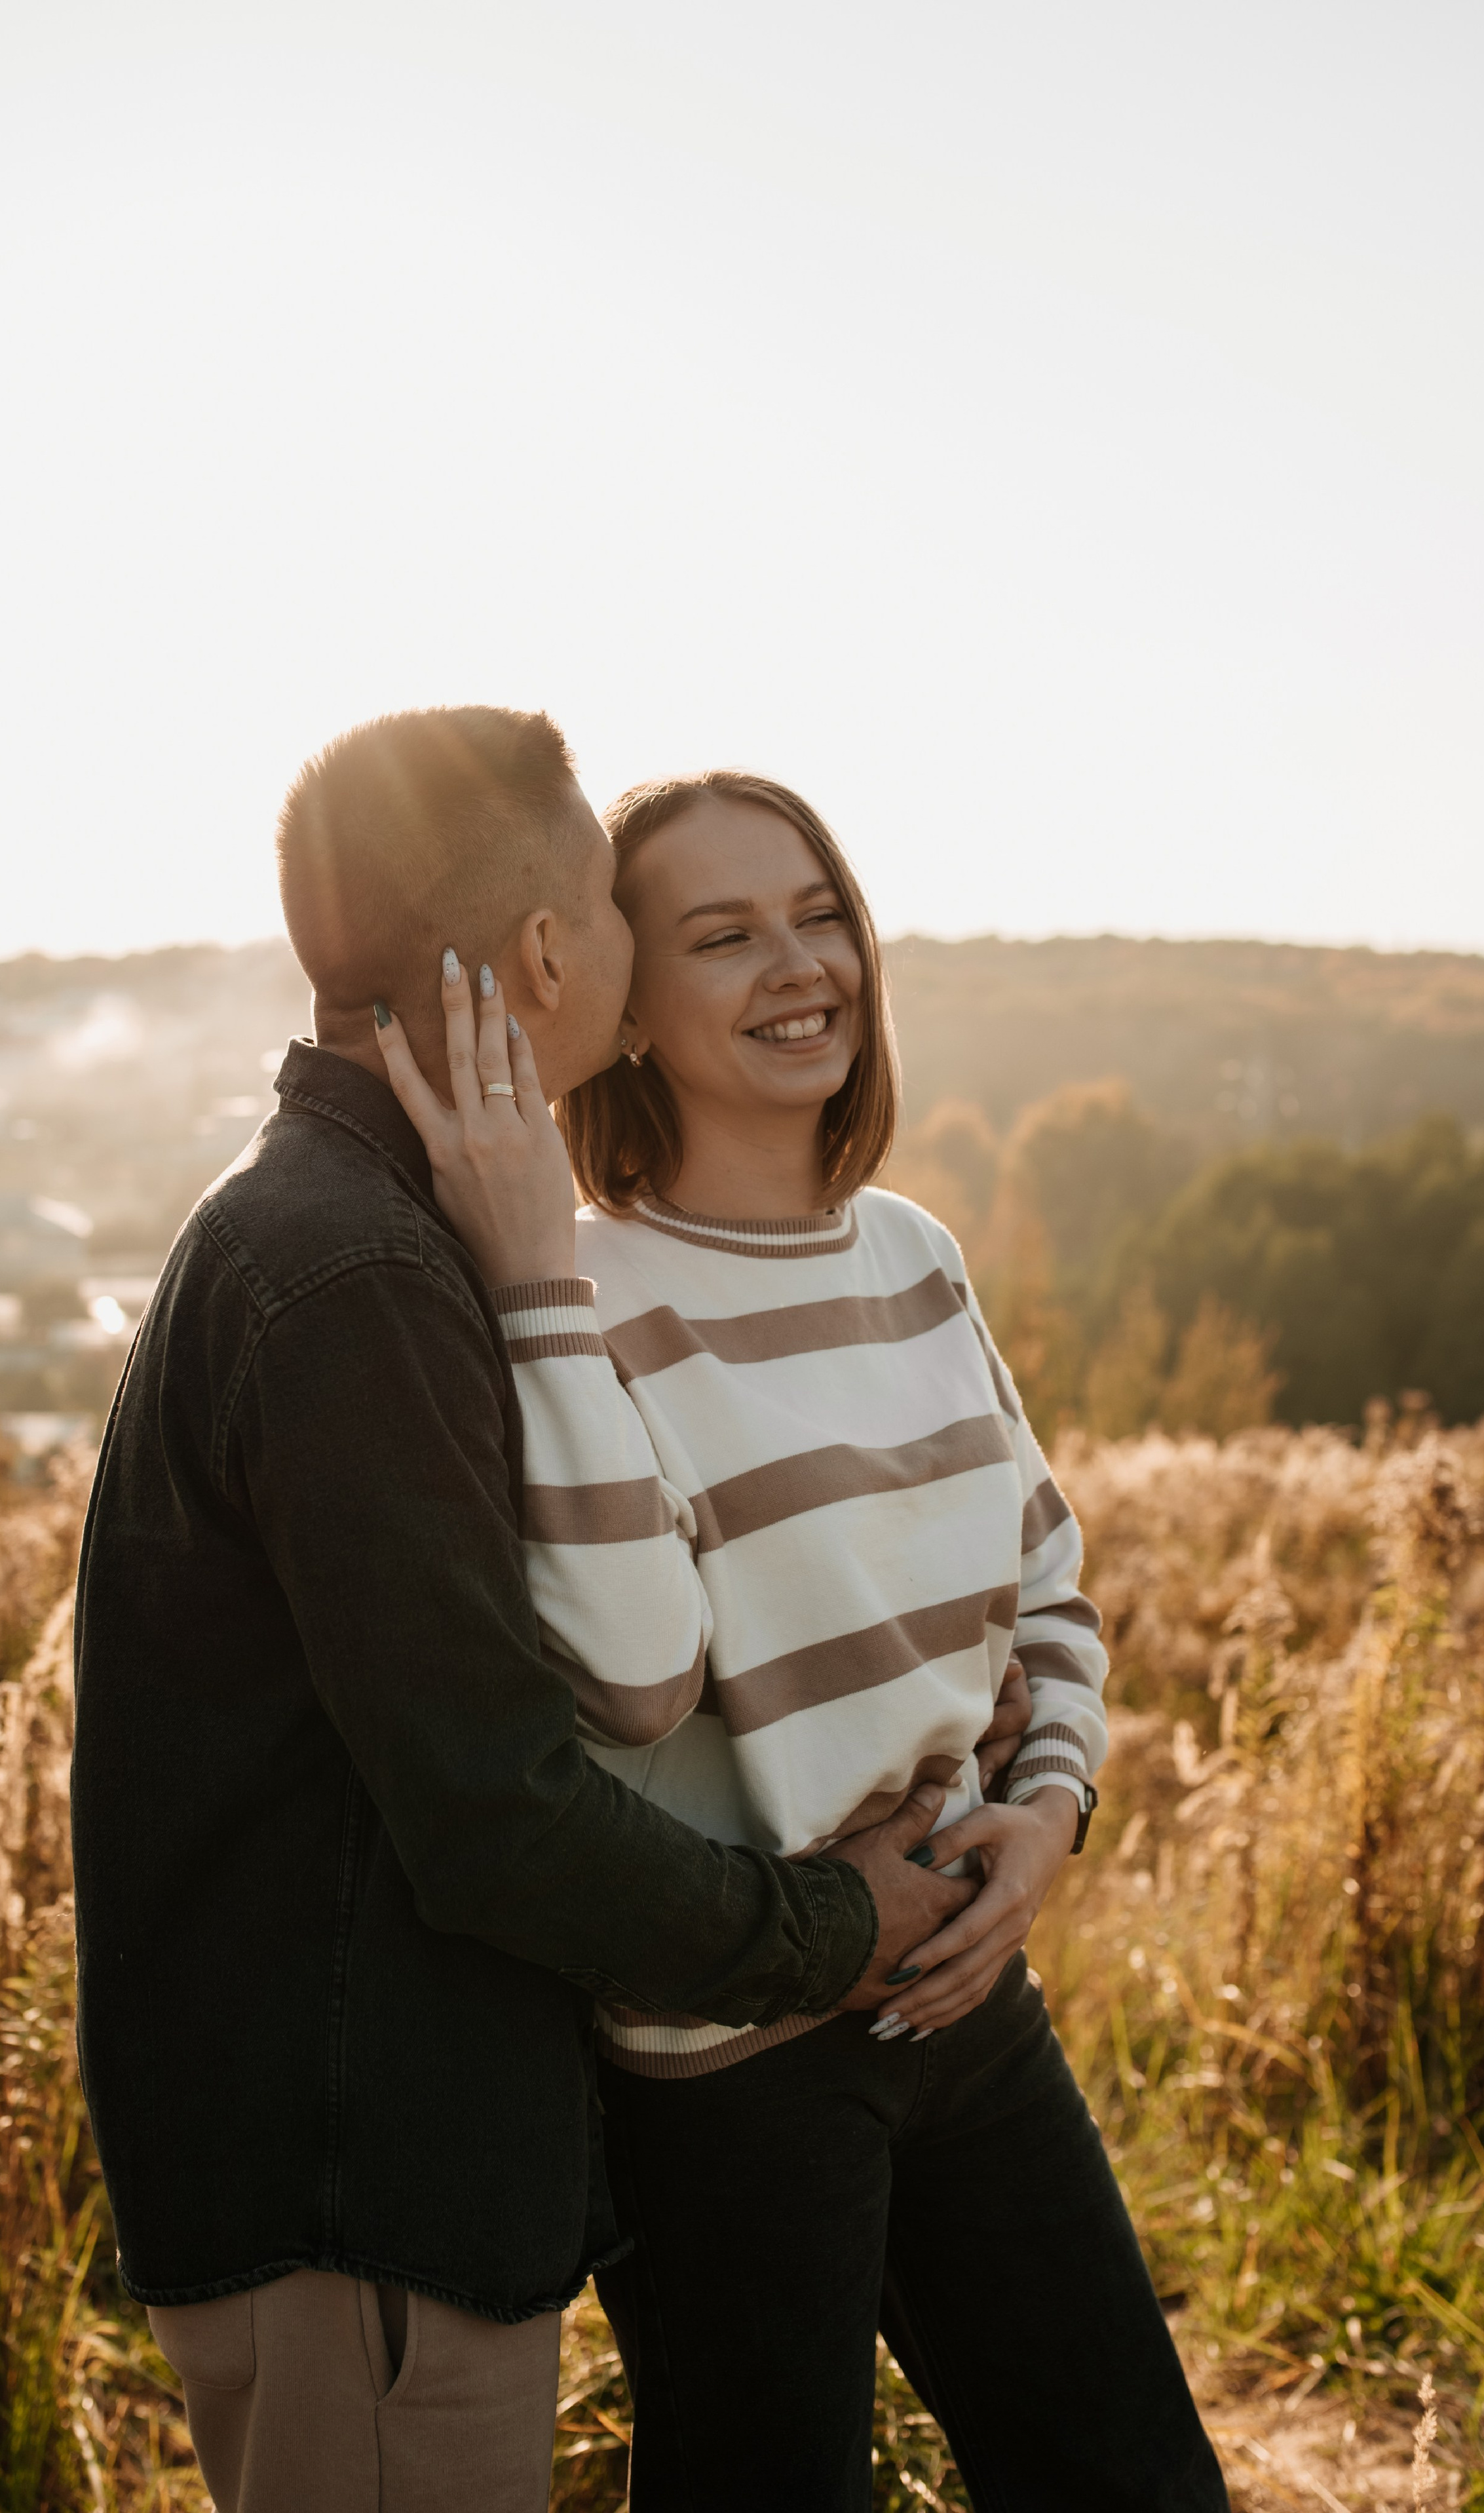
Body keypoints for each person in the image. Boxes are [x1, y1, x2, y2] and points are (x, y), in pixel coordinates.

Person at [69, 714, 984, 2513]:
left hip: (376, 2172)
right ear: (557, 957)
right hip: (358, 2190)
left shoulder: (354, 1229)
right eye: (630, 923)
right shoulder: (354, 1280)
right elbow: (497, 1811)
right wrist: (826, 1924)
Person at [375, 766, 1228, 2511]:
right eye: (724, 932)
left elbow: (1047, 1586)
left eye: (819, 909)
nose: (798, 963)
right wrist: (539, 1289)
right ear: (627, 1002)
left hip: (965, 1998)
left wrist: (1048, 1822)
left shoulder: (914, 1254)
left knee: (1138, 2483)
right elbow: (622, 1676)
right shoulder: (577, 1295)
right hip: (731, 2069)